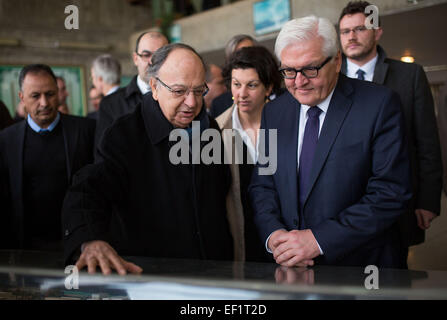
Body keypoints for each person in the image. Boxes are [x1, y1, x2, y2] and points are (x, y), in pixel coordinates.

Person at [249, 16, 412, 268]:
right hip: (290, 267)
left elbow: (390, 193)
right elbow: (263, 183)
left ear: (337, 61)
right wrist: (275, 236)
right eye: (289, 71)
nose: (299, 82)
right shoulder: (274, 112)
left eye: (310, 69)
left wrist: (319, 240)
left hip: (361, 268)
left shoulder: (379, 105)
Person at [62, 43, 234, 275]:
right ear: (154, 87)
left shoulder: (209, 126)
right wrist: (90, 240)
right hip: (153, 275)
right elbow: (87, 191)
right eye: (179, 91)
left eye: (198, 91)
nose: (192, 103)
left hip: (213, 272)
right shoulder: (124, 135)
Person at [338, 1, 443, 268]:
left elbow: (427, 143)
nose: (351, 36)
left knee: (391, 278)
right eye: (345, 31)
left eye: (360, 28)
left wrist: (428, 200)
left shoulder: (409, 75)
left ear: (378, 32)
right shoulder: (330, 80)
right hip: (342, 205)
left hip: (396, 203)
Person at [0, 64, 95, 252]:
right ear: (21, 98)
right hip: (25, 248)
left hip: (77, 244)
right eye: (35, 96)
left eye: (50, 94)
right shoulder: (6, 140)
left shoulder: (86, 131)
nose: (44, 103)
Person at [216, 46, 282, 262]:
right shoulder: (217, 130)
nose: (241, 94)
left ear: (269, 87)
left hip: (287, 237)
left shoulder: (290, 123)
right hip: (242, 241)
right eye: (236, 84)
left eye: (251, 85)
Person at [95, 32, 169, 149]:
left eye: (160, 56)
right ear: (135, 59)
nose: (153, 61)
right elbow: (103, 155)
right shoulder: (111, 105)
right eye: (146, 55)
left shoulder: (183, 100)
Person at [209, 34, 258, 119]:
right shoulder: (219, 104)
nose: (244, 60)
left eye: (249, 53)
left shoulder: (278, 96)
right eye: (237, 56)